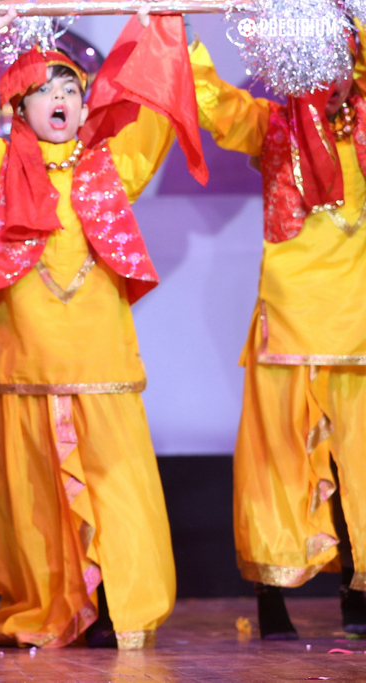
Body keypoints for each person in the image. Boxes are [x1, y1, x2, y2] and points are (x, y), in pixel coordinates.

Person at [0, 9, 205, 649]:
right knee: (34, 496)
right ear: (19, 109)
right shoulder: (0, 170)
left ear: (85, 105)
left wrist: (163, 26)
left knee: (115, 485)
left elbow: (156, 112)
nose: (60, 98)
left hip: (100, 361)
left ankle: (117, 605)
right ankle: (52, 605)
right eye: (44, 90)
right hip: (26, 361)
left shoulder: (114, 166)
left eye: (71, 89)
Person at [189, 25, 366, 639]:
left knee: (359, 463)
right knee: (278, 461)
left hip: (358, 327)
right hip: (289, 322)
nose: (329, 76)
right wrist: (185, 37)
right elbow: (212, 101)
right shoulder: (273, 125)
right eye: (313, 60)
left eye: (340, 60)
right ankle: (270, 593)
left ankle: (357, 588)